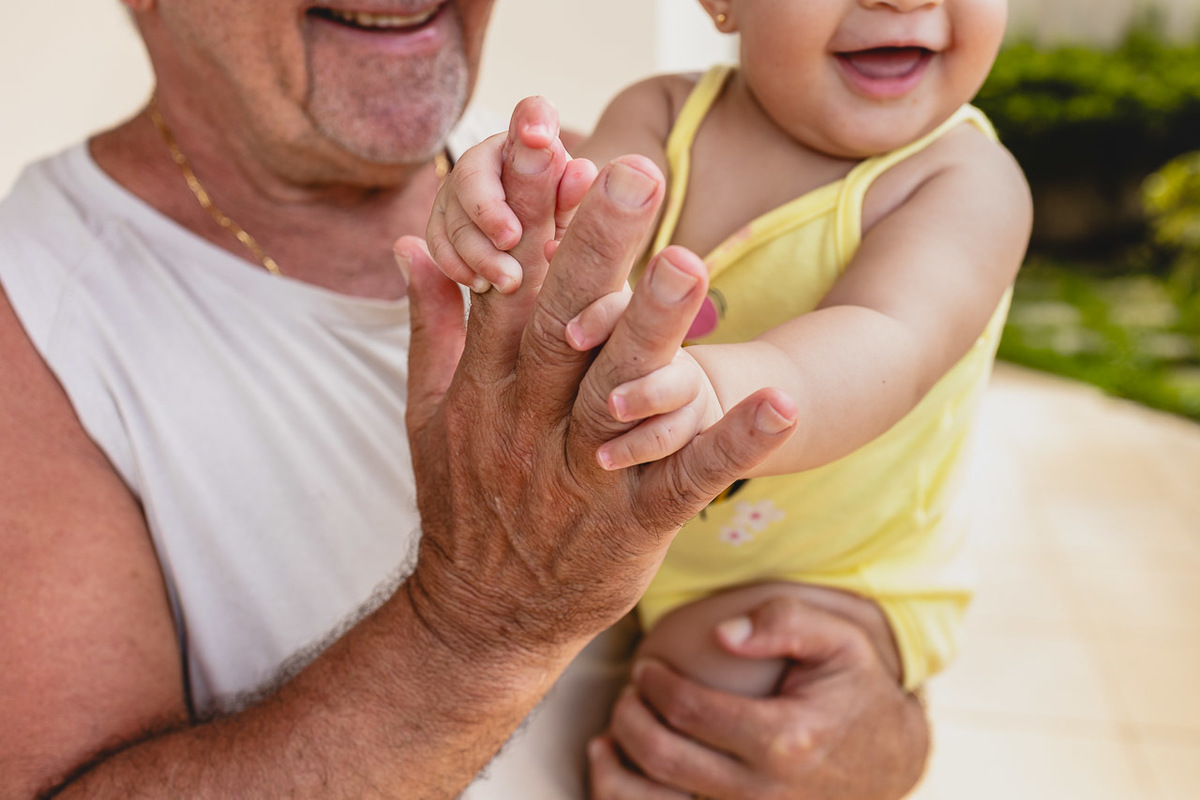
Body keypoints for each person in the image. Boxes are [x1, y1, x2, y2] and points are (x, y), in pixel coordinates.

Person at [0, 1, 929, 798]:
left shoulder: (583, 179)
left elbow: (832, 515)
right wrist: (481, 624)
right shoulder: (36, 319)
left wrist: (868, 738)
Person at [430, 0, 1033, 779]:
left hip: (817, 574)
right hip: (635, 525)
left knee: (710, 709)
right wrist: (508, 209)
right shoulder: (662, 115)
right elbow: (575, 250)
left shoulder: (966, 181)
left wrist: (719, 392)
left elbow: (889, 338)